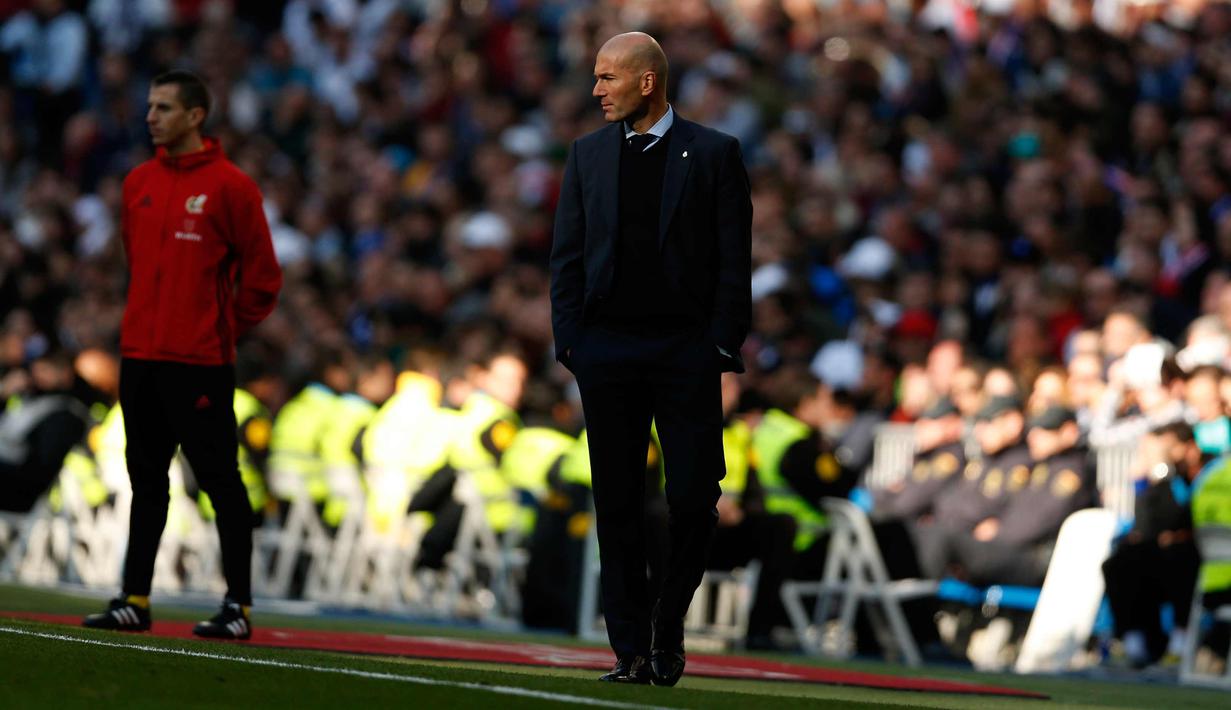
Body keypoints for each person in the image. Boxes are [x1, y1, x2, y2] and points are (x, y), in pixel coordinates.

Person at [549, 31, 751, 686]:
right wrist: (572, 343)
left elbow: (732, 261)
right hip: (606, 351)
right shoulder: (585, 156)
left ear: (646, 82)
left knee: (694, 497)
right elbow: (567, 259)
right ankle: (630, 648)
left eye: (607, 78)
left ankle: (669, 620)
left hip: (685, 351)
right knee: (616, 503)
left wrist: (719, 343)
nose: (595, 90)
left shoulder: (715, 153)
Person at [82, 70, 282, 639]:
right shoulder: (137, 183)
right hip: (140, 357)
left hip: (199, 363)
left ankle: (237, 606)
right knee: (145, 480)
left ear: (196, 116)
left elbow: (263, 279)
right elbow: (137, 266)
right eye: (150, 106)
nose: (151, 117)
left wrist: (217, 329)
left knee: (221, 483)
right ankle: (134, 598)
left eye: (164, 108)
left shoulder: (232, 188)